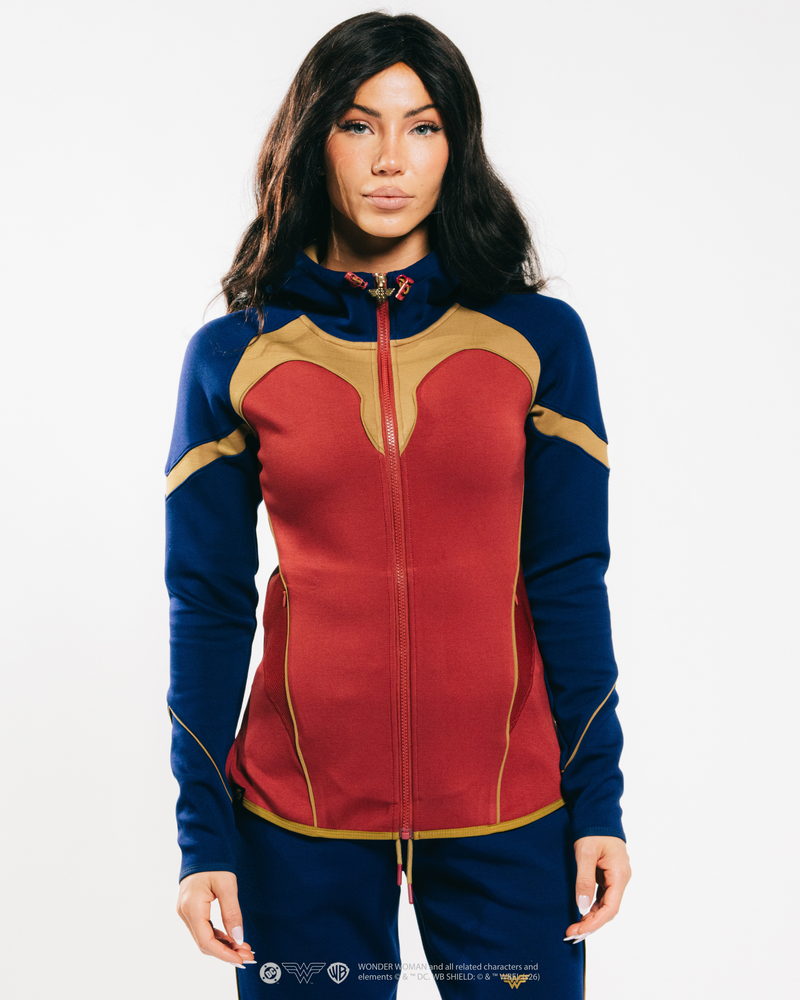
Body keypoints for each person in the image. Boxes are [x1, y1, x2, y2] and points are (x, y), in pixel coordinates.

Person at [164, 11, 632, 998]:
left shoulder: (537, 339)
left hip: (510, 817)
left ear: (455, 146)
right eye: (357, 124)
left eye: (421, 126)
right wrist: (203, 835)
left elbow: (568, 579)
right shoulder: (235, 355)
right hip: (296, 824)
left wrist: (598, 802)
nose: (390, 158)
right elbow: (207, 600)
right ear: (313, 140)